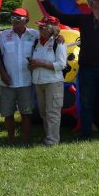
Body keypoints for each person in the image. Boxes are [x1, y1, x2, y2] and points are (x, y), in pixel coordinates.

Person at [37, 0, 99, 139]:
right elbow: (61, 17)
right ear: (91, 4)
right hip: (86, 70)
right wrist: (45, 1)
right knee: (86, 103)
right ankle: (86, 133)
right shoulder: (83, 20)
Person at [0, 7, 38, 144]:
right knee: (7, 112)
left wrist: (58, 37)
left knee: (26, 113)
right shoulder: (4, 35)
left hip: (26, 81)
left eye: (19, 18)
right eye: (13, 18)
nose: (15, 21)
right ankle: (11, 139)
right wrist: (3, 74)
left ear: (26, 20)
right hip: (7, 82)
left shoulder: (34, 34)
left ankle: (25, 139)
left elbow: (49, 40)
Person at [28, 16, 67, 145]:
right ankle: (48, 136)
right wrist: (32, 65)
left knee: (53, 112)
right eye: (39, 26)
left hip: (53, 82)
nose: (39, 29)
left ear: (51, 29)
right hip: (39, 82)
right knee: (43, 112)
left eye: (42, 27)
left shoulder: (58, 43)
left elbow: (61, 65)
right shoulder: (36, 42)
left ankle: (52, 140)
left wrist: (41, 63)